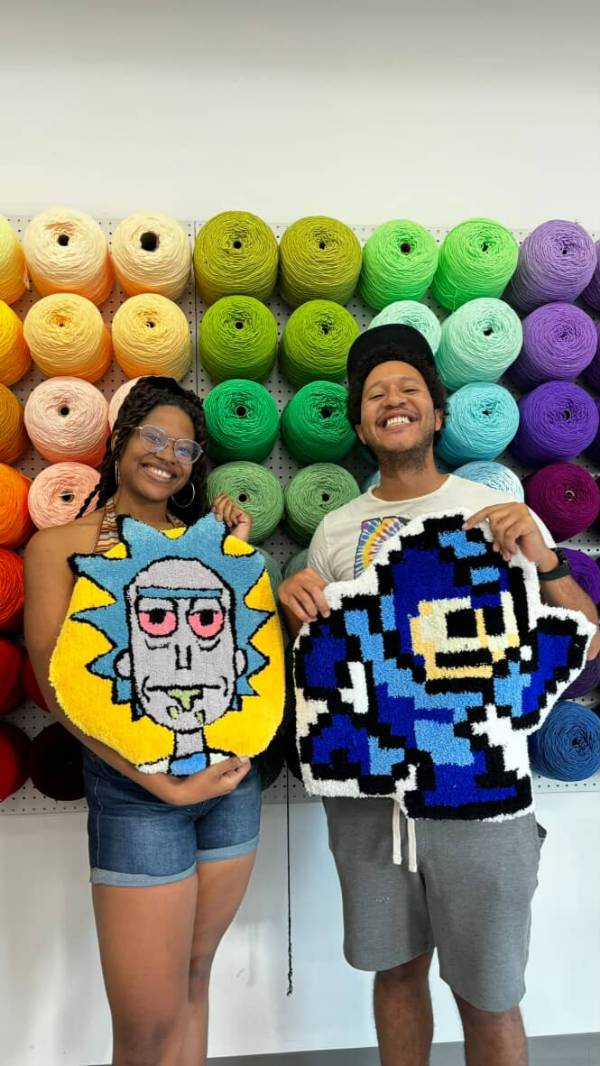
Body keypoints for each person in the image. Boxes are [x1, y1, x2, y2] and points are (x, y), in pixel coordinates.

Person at [279, 325, 600, 1066]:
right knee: (395, 971)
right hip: (369, 798)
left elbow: (585, 639)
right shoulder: (335, 530)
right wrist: (297, 607)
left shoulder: (497, 511)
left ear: (438, 411)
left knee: (490, 993)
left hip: (479, 791)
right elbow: (325, 660)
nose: (393, 401)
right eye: (375, 395)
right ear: (361, 426)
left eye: (409, 389)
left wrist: (547, 559)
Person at [25, 376, 260, 1066]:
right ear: (121, 440)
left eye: (185, 448)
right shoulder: (59, 547)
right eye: (154, 437)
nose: (168, 456)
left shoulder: (203, 544)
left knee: (193, 981)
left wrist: (234, 551)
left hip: (229, 786)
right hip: (135, 796)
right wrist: (162, 785)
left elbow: (239, 658)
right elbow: (60, 691)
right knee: (145, 1032)